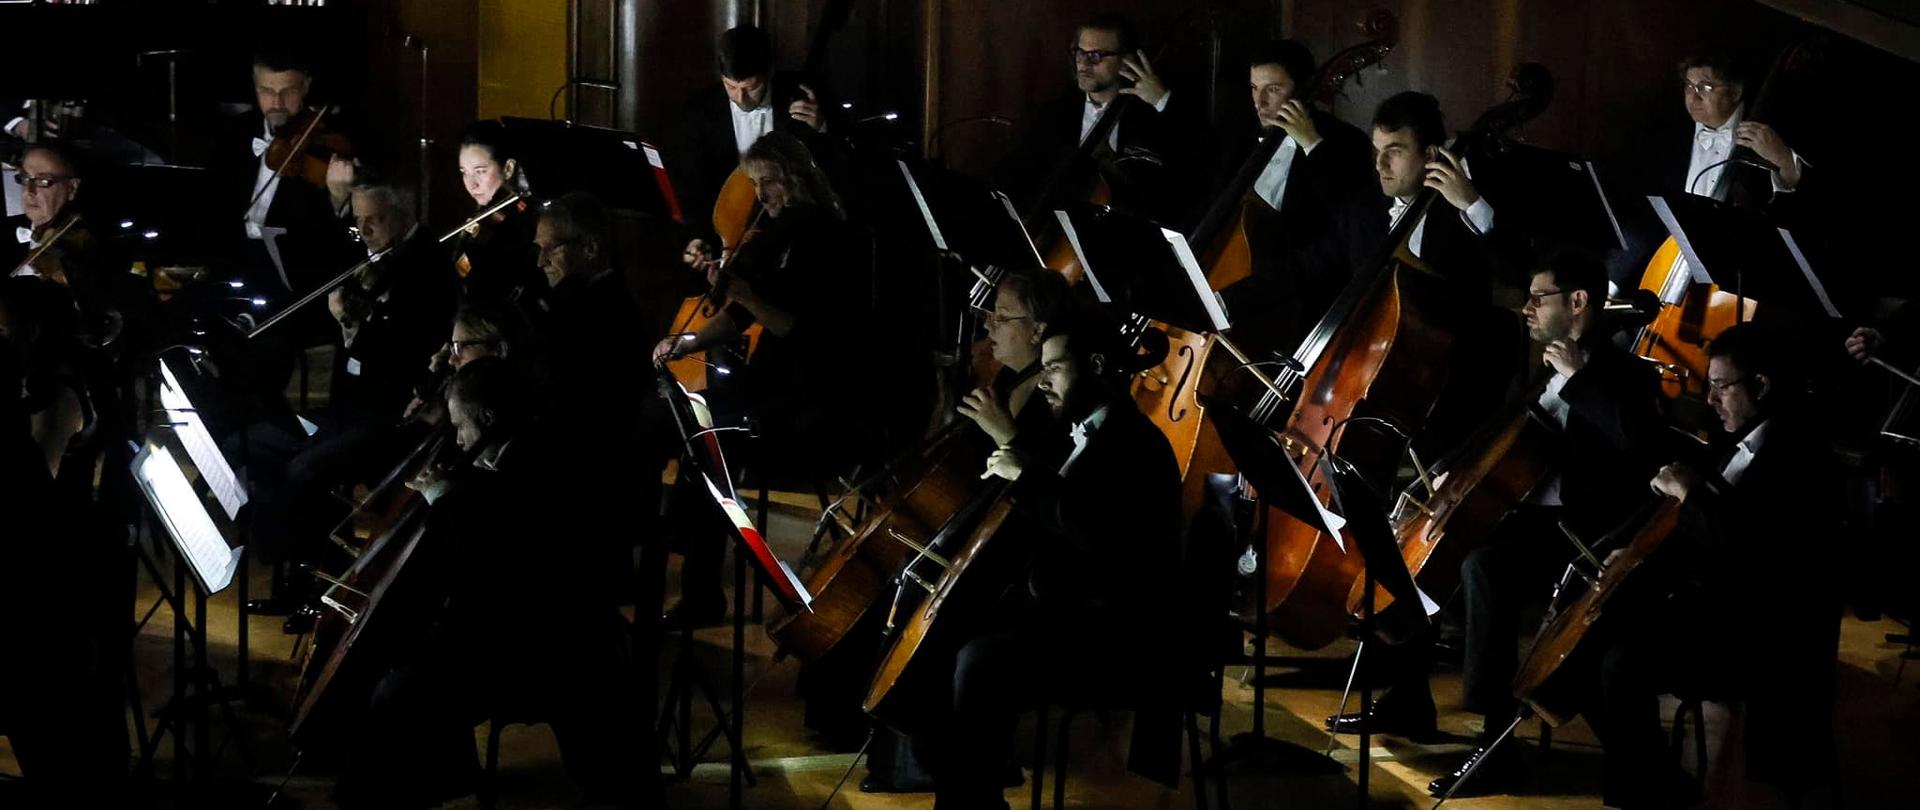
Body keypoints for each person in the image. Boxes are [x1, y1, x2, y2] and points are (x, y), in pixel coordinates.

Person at [1327, 256, 1667, 798]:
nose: (1526, 308)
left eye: (1539, 297)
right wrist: (1448, 466)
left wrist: (1579, 379)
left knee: (1484, 566)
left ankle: (1494, 743)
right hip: (1529, 514)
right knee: (1433, 545)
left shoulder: (1628, 374)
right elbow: (1507, 424)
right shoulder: (1543, 366)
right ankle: (1409, 695)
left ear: (1577, 303)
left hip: (1584, 533)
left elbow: (1641, 446)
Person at [336, 357, 656, 810]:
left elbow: (495, 561)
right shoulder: (532, 445)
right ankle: (442, 773)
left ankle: (376, 796)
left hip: (540, 644)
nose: (458, 438)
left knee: (399, 688)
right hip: (551, 627)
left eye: (460, 425)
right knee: (414, 658)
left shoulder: (533, 463)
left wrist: (441, 498)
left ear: (487, 418)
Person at [910, 310, 1184, 810]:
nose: (1044, 384)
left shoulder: (1135, 444)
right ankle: (959, 782)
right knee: (946, 626)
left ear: (1097, 365)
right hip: (1067, 606)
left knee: (980, 660)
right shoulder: (1081, 428)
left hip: (1113, 630)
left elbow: (1100, 536)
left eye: (1055, 369)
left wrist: (1024, 469)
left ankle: (971, 799)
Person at [1585, 323, 1841, 808]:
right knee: (1594, 638)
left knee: (1623, 663)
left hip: (1762, 635)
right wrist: (1633, 552)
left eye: (1721, 386)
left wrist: (1690, 492)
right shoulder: (1741, 436)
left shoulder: (1801, 458)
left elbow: (1748, 549)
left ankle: (1649, 789)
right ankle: (1652, 779)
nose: (1713, 399)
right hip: (1713, 606)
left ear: (1761, 385)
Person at [652, 130, 870, 626]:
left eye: (766, 183)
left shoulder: (830, 238)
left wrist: (747, 295)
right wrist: (686, 343)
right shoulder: (777, 232)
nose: (761, 197)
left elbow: (796, 326)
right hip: (768, 382)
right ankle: (670, 555)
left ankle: (702, 591)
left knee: (708, 445)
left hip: (808, 397)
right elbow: (738, 315)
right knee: (683, 417)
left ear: (794, 178)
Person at [243, 179, 458, 629]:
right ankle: (292, 572)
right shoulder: (375, 258)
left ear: (403, 213)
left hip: (394, 417)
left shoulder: (427, 266)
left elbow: (409, 354)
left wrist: (354, 325)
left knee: (306, 469)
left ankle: (319, 593)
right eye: (358, 221)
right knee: (260, 440)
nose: (366, 230)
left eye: (374, 219)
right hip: (351, 408)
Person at [1209, 39, 1383, 346]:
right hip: (1233, 278)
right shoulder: (1238, 136)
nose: (1259, 102)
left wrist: (1312, 146)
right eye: (1253, 88)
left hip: (1305, 296)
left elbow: (1352, 215)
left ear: (1303, 90)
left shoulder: (1345, 142)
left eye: (1273, 89)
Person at [669, 23, 840, 255]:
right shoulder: (698, 112)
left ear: (769, 72)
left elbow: (840, 159)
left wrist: (822, 126)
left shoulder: (804, 94)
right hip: (728, 238)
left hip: (798, 237)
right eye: (731, 87)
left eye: (752, 87)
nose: (741, 97)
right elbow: (691, 186)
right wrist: (697, 237)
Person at [995, 13, 1176, 220]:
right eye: (1079, 53)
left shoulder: (1149, 115)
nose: (1083, 64)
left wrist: (1163, 101)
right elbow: (1012, 173)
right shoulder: (1052, 115)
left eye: (1096, 55)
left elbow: (1196, 161)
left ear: (1126, 60)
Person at [452, 120, 543, 311]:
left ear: (509, 168)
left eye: (480, 171)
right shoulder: (485, 218)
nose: (471, 184)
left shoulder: (528, 219)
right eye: (464, 173)